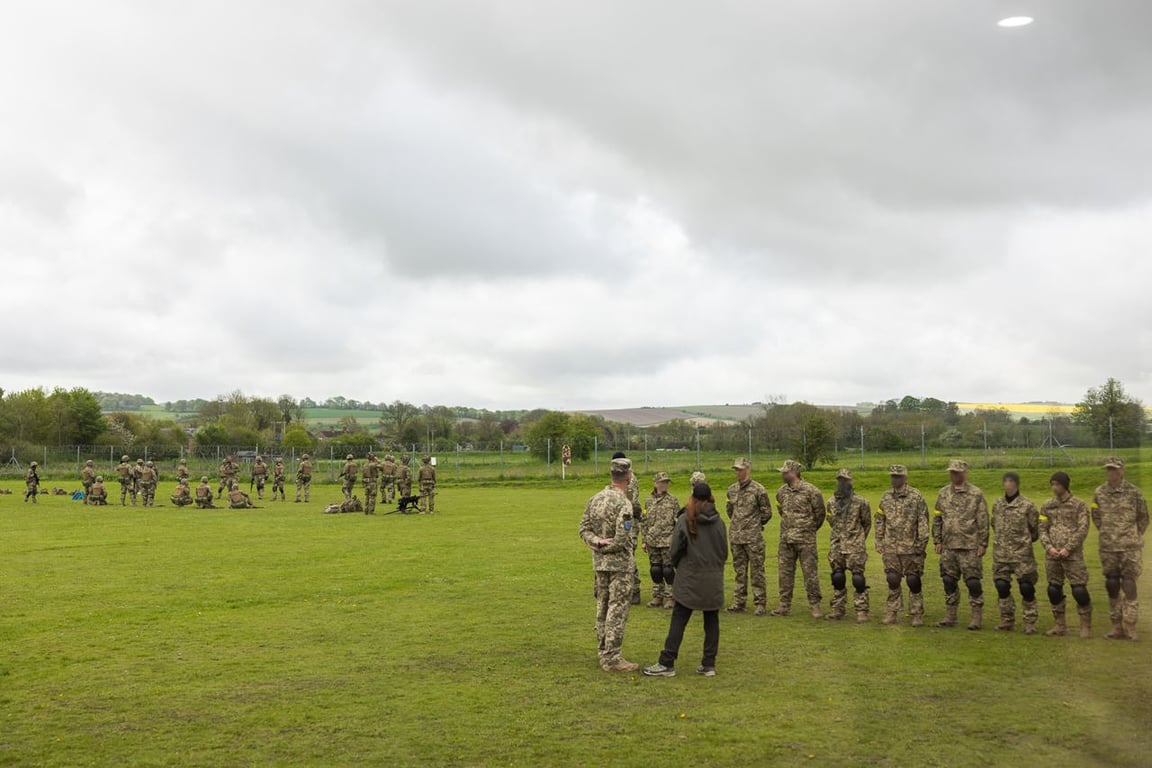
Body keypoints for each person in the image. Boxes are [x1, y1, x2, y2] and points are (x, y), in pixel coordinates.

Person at [643, 481, 729, 678]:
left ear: (693, 498)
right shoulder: (720, 522)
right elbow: (724, 552)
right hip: (712, 579)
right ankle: (709, 663)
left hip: (689, 578)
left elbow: (674, 551)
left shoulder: (685, 520)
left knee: (679, 619)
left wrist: (681, 565)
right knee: (711, 620)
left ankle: (667, 662)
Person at [579, 457, 639, 673]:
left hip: (599, 564)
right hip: (619, 565)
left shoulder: (595, 499)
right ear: (628, 477)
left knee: (602, 606)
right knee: (617, 608)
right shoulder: (624, 503)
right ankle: (612, 658)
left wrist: (596, 542)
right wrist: (605, 546)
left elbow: (583, 529)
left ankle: (603, 652)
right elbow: (623, 538)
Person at [1092, 457, 1148, 641]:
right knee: (1112, 583)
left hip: (1130, 547)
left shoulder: (1134, 492)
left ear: (1122, 470)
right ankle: (1116, 626)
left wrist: (1132, 536)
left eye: (1114, 469)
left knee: (1129, 583)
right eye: (1108, 469)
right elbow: (1096, 516)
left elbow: (1143, 518)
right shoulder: (1099, 492)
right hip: (1108, 547)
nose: (1111, 472)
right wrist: (1109, 533)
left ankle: (1130, 625)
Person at [933, 459, 989, 630]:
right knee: (948, 580)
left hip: (969, 546)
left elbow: (983, 520)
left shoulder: (976, 494)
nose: (954, 475)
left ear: (965, 473)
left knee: (973, 582)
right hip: (948, 546)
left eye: (957, 472)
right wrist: (937, 540)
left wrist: (983, 543)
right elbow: (937, 518)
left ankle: (976, 616)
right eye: (952, 472)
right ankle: (951, 615)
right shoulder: (943, 493)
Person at [876, 465, 930, 626]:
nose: (895, 479)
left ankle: (917, 613)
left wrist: (921, 544)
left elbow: (923, 521)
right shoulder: (886, 497)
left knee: (913, 580)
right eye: (892, 476)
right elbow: (880, 520)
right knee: (892, 579)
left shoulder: (916, 496)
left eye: (898, 476)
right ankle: (892, 611)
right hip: (891, 547)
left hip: (911, 547)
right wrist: (879, 541)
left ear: (905, 478)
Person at [1040, 472, 1092, 638]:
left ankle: (1085, 626)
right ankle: (1060, 625)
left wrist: (1068, 548)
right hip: (1052, 555)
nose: (1054, 488)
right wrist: (1049, 547)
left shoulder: (1079, 505)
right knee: (1053, 589)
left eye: (1057, 484)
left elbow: (1083, 529)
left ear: (1065, 485)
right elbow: (1042, 528)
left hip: (1073, 556)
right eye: (1052, 484)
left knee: (1079, 590)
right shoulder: (1047, 506)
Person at [773, 459, 826, 618]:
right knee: (784, 574)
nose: (782, 475)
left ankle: (815, 605)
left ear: (794, 473)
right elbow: (781, 511)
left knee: (810, 574)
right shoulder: (781, 492)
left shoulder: (811, 491)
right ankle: (784, 605)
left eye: (785, 472)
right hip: (786, 540)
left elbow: (820, 514)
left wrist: (807, 529)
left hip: (806, 541)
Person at [990, 471, 1041, 633]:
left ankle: (1030, 621)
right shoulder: (998, 505)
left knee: (1026, 587)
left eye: (1011, 481)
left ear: (1017, 484)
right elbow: (995, 525)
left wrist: (1022, 542)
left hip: (1022, 555)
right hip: (1001, 554)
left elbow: (1035, 530)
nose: (1008, 484)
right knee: (1001, 585)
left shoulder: (1027, 506)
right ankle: (1007, 620)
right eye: (1005, 481)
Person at [725, 457, 772, 615]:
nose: (738, 472)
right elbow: (730, 510)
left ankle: (760, 603)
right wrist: (738, 525)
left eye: (740, 469)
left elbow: (766, 513)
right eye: (736, 469)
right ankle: (739, 602)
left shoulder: (759, 490)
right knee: (739, 571)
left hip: (753, 538)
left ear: (747, 469)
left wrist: (754, 525)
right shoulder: (731, 490)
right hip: (736, 537)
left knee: (757, 571)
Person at [826, 469, 872, 623]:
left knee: (858, 579)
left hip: (855, 546)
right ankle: (838, 609)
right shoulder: (831, 502)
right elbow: (831, 521)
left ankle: (861, 610)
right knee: (837, 577)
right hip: (837, 545)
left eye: (845, 480)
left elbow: (866, 523)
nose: (842, 483)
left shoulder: (861, 502)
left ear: (851, 481)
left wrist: (858, 539)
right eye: (840, 480)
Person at [642, 472, 680, 609]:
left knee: (668, 570)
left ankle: (671, 597)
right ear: (656, 483)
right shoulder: (648, 501)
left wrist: (677, 540)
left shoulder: (673, 501)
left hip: (667, 541)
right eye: (662, 482)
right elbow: (644, 521)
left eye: (666, 482)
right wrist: (644, 540)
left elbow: (678, 522)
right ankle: (657, 596)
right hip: (652, 540)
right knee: (655, 570)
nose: (664, 485)